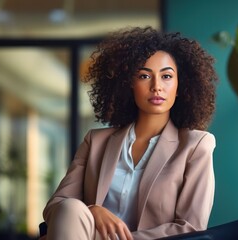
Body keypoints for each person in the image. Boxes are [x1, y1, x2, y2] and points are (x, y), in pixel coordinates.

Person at [42, 26, 218, 240]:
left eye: (167, 76)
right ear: (129, 84)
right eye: (144, 76)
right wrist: (92, 210)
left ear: (180, 86)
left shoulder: (197, 145)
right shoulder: (95, 141)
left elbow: (191, 227)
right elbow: (56, 205)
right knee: (70, 208)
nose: (157, 87)